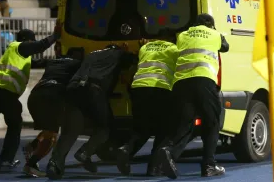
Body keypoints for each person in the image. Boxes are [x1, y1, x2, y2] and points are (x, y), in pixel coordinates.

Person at [46, 44, 138, 180]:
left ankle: (54, 164)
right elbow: (133, 60)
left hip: (73, 89)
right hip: (93, 90)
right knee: (105, 129)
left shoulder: (92, 54)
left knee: (70, 131)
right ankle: (84, 152)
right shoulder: (117, 53)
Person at [158, 13, 229, 179]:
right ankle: (209, 165)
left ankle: (169, 152)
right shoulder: (215, 34)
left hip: (181, 83)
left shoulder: (182, 35)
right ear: (210, 25)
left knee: (186, 123)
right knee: (213, 122)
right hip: (203, 80)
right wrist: (217, 33)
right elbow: (225, 47)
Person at [0, 25, 61, 171]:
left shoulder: (21, 55)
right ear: (27, 40)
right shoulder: (19, 46)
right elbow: (40, 46)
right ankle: (5, 161)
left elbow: (41, 62)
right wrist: (55, 36)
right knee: (15, 124)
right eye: (32, 41)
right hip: (5, 92)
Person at [116, 29, 179, 176]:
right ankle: (153, 167)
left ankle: (126, 149)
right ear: (171, 39)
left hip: (138, 88)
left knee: (142, 129)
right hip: (160, 89)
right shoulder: (173, 49)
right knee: (163, 130)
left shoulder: (145, 47)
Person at [22, 47, 84, 177]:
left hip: (35, 95)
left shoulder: (53, 62)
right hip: (52, 95)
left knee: (49, 128)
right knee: (52, 136)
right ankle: (31, 164)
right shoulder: (78, 63)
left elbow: (37, 61)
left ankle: (32, 146)